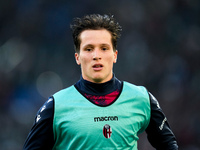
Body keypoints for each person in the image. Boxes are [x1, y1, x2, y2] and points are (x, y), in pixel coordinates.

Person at [23, 14, 178, 150]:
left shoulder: (141, 98)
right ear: (77, 57)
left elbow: (168, 144)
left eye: (104, 48)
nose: (96, 55)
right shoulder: (56, 106)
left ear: (115, 55)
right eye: (89, 49)